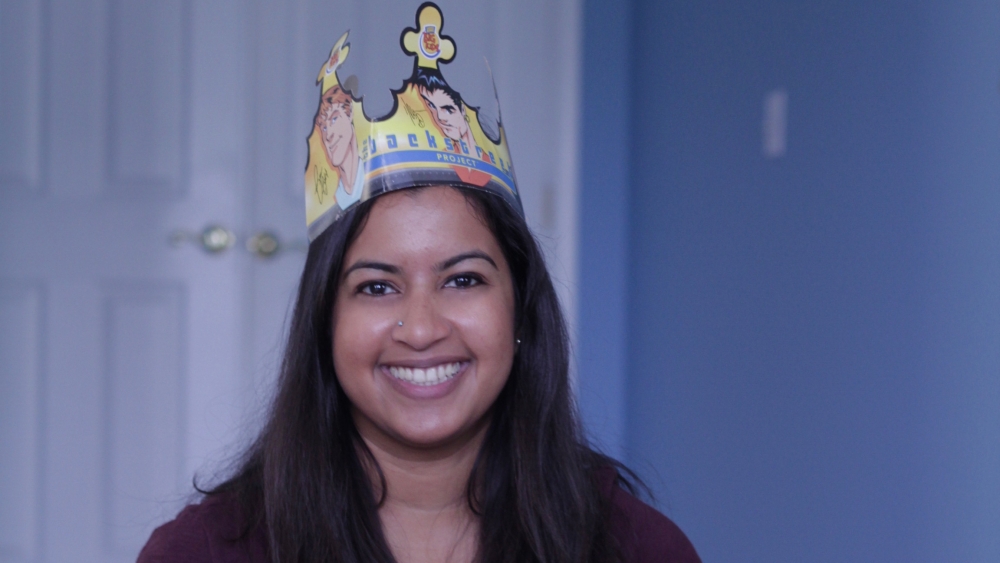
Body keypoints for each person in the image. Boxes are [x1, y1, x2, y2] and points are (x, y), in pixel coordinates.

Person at [137, 4, 700, 562]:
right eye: (377, 287)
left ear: (521, 310)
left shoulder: (637, 548)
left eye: (463, 279)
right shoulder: (202, 552)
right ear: (325, 322)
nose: (423, 329)